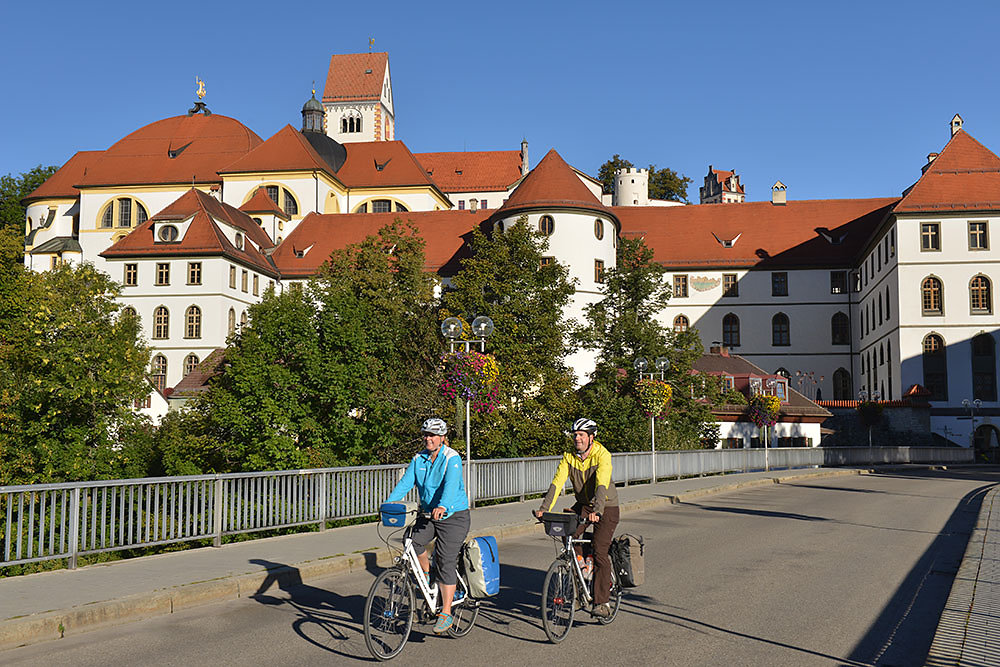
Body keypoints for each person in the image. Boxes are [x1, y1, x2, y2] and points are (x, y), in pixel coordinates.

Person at [384, 417, 470, 634]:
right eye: (426, 434)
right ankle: (428, 577)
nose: (428, 438)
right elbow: (406, 483)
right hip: (429, 515)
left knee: (445, 559)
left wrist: (442, 505)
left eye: (432, 435)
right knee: (411, 542)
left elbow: (451, 485)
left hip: (453, 515)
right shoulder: (419, 459)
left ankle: (446, 611)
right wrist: (389, 504)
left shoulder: (452, 458)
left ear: (442, 438)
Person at [533, 418, 620, 618]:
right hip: (583, 505)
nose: (577, 439)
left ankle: (602, 602)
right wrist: (544, 509)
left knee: (600, 551)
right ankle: (581, 569)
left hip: (606, 506)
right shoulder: (569, 457)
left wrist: (597, 511)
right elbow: (557, 483)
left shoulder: (602, 455)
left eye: (581, 435)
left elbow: (601, 485)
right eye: (575, 435)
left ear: (591, 437)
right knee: (564, 529)